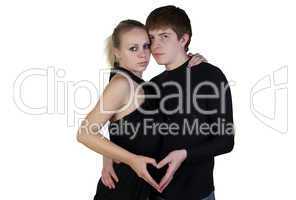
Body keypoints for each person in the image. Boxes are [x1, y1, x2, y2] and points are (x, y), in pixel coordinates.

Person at [77, 19, 205, 200]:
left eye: (146, 46)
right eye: (133, 49)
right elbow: (85, 133)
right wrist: (131, 160)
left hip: (144, 189)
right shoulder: (121, 84)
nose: (143, 55)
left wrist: (191, 63)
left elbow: (119, 128)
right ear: (117, 53)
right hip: (121, 189)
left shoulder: (142, 85)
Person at [145, 6, 235, 200]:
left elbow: (226, 141)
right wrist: (107, 158)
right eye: (151, 38)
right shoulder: (152, 86)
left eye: (164, 36)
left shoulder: (210, 75)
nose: (155, 45)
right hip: (155, 194)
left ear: (183, 39)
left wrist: (185, 154)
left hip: (198, 194)